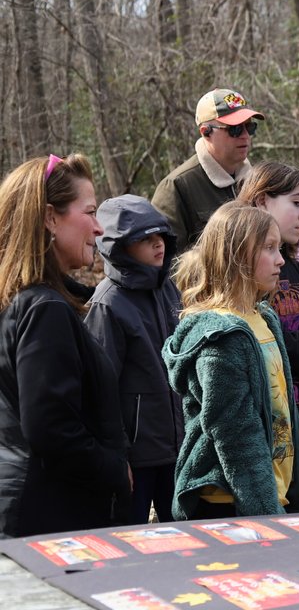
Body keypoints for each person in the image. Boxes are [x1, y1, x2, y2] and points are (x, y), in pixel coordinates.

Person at [0, 154, 130, 536]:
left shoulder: (20, 299)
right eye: (89, 212)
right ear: (50, 218)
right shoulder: (45, 310)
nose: (99, 229)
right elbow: (50, 428)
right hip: (45, 516)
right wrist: (114, 470)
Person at [163, 203, 299, 519]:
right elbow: (236, 436)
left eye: (279, 248)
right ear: (237, 256)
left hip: (269, 495)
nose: (281, 259)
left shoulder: (263, 318)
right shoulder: (222, 336)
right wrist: (266, 514)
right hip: (230, 504)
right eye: (269, 248)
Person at [238, 163, 299, 511]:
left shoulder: (295, 268)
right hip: (269, 430)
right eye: (296, 203)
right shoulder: (249, 275)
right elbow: (262, 346)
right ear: (263, 201)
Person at [85, 195, 183, 524]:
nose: (158, 245)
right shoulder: (108, 303)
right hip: (136, 457)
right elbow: (100, 387)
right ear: (120, 247)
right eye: (145, 239)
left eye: (161, 236)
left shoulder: (169, 289)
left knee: (185, 535)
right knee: (130, 534)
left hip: (177, 446)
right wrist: (118, 454)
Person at [153, 88, 265, 250]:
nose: (245, 135)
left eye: (250, 127)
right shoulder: (176, 187)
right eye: (235, 129)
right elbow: (168, 262)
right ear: (206, 132)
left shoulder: (258, 181)